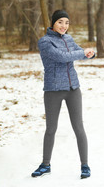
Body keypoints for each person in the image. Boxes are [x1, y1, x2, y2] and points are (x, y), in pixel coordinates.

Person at [31, 10, 95, 179]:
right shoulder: (44, 42)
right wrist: (82, 53)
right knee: (51, 129)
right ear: (53, 23)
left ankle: (85, 165)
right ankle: (45, 164)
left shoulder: (69, 39)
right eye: (60, 22)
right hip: (53, 90)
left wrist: (89, 54)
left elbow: (79, 52)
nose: (64, 26)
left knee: (79, 128)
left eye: (67, 22)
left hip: (73, 89)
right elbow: (61, 57)